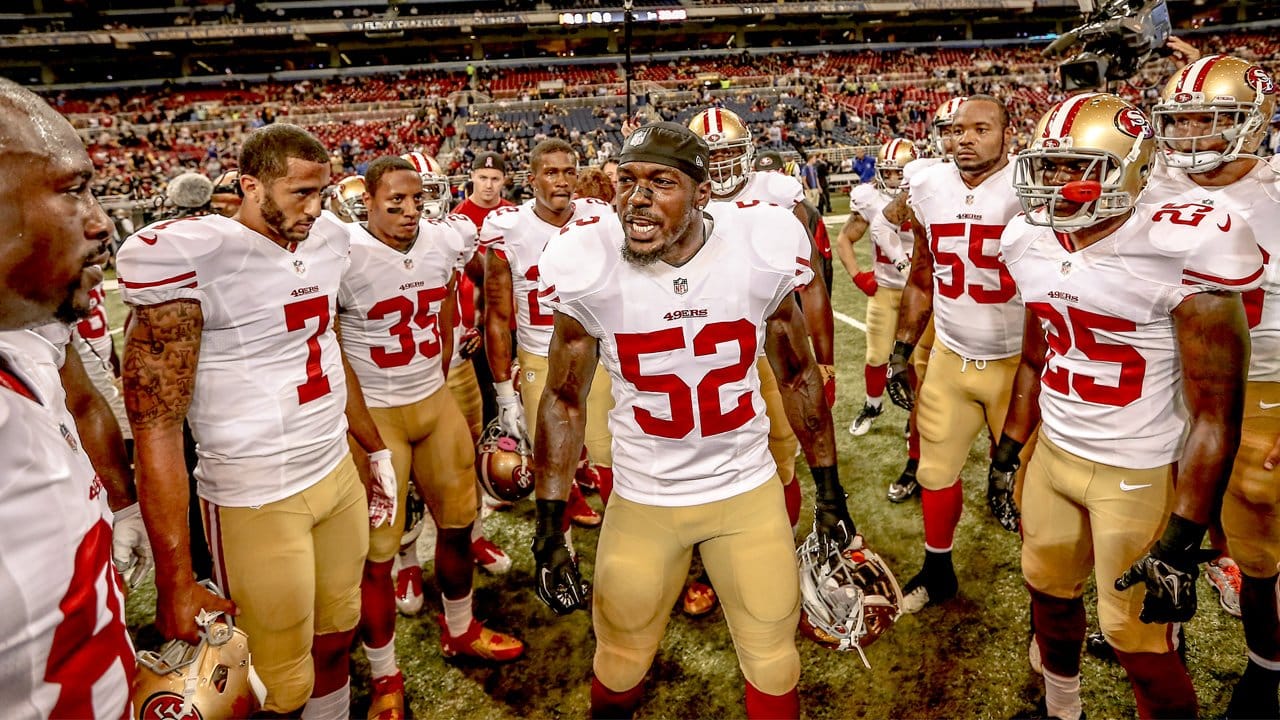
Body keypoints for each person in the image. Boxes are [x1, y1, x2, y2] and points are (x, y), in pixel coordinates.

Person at [531, 121, 856, 719]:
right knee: (620, 660)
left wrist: (830, 492)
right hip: (644, 499)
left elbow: (798, 376)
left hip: (745, 491)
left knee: (774, 662)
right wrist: (549, 525)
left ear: (703, 192)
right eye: (627, 181)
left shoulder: (760, 246)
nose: (637, 198)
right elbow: (564, 398)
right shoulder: (590, 260)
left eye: (661, 182)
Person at [1001, 92, 1260, 720]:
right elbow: (1041, 353)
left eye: (1076, 167)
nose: (1056, 183)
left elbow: (1216, 411)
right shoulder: (1026, 239)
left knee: (1137, 641)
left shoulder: (1183, 241)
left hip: (1138, 468)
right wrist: (1011, 447)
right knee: (1048, 596)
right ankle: (1063, 708)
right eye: (1049, 164)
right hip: (1057, 454)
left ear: (1133, 167)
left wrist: (1182, 537)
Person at [118, 124, 391, 717]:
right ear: (250, 185)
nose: (316, 209)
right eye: (300, 193)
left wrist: (373, 448)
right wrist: (175, 578)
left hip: (334, 470)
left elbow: (327, 340)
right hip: (254, 495)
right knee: (276, 681)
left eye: (322, 192)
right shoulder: (196, 256)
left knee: (339, 633)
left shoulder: (330, 241)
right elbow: (156, 424)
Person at [338, 156, 525, 717]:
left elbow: (448, 305)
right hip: (376, 415)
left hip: (434, 397)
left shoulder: (443, 241)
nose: (408, 210)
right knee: (376, 556)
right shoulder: (338, 250)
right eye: (394, 201)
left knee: (459, 524)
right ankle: (385, 675)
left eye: (415, 199)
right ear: (366, 201)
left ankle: (461, 628)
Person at [1146, 55, 1280, 718]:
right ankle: (1151, 635)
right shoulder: (1155, 182)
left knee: (1261, 545)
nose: (1191, 135)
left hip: (1262, 386)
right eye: (1182, 119)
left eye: (1211, 118)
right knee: (1150, 524)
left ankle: (1264, 667)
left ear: (1254, 122)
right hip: (1169, 384)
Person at [0, 79, 137, 719]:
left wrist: (123, 508)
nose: (100, 220)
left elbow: (79, 397)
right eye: (73, 188)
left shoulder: (32, 338)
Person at [885, 95, 1027, 613]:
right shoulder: (928, 183)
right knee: (933, 472)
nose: (964, 138)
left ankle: (1048, 596)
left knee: (1030, 490)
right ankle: (938, 570)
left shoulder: (1029, 187)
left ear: (1007, 134)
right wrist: (902, 350)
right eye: (956, 129)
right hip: (950, 354)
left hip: (1017, 363)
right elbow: (923, 276)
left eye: (980, 129)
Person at [480, 139, 608, 525]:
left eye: (570, 171)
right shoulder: (509, 228)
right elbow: (498, 318)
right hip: (541, 358)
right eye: (551, 172)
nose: (563, 180)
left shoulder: (598, 216)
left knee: (612, 460)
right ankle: (559, 552)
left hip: (599, 356)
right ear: (532, 178)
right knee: (552, 466)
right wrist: (504, 393)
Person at [876, 99, 964, 504]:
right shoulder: (926, 177)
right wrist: (902, 258)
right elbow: (885, 222)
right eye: (946, 130)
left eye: (962, 129)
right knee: (924, 395)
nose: (954, 138)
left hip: (999, 315)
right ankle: (915, 461)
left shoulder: (1007, 176)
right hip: (938, 308)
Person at [836, 138, 918, 438]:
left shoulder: (930, 195)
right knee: (876, 356)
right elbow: (844, 239)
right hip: (885, 290)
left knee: (920, 360)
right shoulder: (869, 198)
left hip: (920, 295)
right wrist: (859, 277)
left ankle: (917, 413)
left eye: (900, 173)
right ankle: (873, 404)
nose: (894, 179)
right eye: (889, 172)